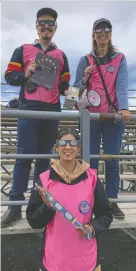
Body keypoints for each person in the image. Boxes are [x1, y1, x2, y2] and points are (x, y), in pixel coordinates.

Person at [1, 8, 70, 228]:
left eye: (50, 23)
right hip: (29, 109)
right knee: (23, 158)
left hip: (51, 111)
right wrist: (26, 75)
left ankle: (38, 206)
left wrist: (80, 84)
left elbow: (65, 86)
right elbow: (10, 76)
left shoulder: (62, 55)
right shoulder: (22, 50)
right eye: (42, 23)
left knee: (43, 160)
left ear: (55, 27)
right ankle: (14, 208)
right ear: (36, 26)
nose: (46, 27)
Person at [26, 127, 113, 271]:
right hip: (55, 260)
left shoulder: (92, 178)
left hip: (87, 259)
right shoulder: (44, 179)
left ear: (78, 148)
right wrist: (46, 207)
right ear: (57, 147)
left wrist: (91, 228)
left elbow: (106, 214)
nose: (68, 147)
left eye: (72, 143)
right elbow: (33, 221)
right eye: (63, 143)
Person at [74, 18, 131, 219]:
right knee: (90, 161)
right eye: (98, 29)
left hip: (112, 116)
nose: (102, 33)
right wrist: (84, 78)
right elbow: (74, 91)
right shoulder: (85, 60)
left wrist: (124, 108)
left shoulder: (120, 58)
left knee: (112, 159)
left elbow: (122, 85)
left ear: (110, 34)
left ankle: (112, 201)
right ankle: (91, 200)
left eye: (107, 29)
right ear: (93, 34)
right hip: (90, 117)